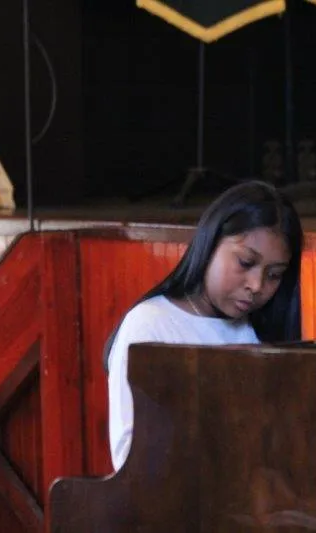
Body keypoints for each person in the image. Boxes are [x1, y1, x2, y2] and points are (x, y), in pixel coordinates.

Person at [103, 180, 304, 472]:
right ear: (210, 244)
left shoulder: (260, 330)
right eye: (245, 262)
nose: (257, 285)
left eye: (274, 275)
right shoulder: (150, 324)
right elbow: (129, 456)